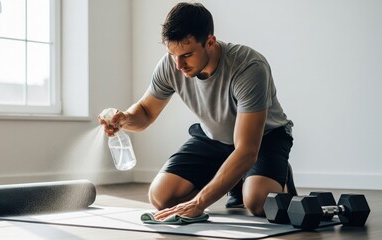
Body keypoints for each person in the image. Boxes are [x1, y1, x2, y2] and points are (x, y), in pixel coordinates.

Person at [98, 2, 296, 219]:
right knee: (161, 198)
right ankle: (235, 181)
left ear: (210, 42)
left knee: (258, 201)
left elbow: (247, 150)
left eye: (186, 55)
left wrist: (199, 203)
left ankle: (278, 177)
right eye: (172, 54)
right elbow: (145, 113)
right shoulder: (171, 65)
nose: (178, 65)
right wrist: (124, 118)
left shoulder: (248, 67)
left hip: (263, 140)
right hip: (213, 137)